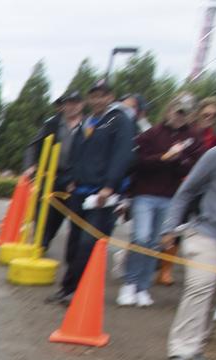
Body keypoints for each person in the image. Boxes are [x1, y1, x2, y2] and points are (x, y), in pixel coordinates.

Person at [49, 79, 136, 305]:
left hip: (102, 196)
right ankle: (67, 288)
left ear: (110, 97)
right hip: (80, 192)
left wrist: (110, 185)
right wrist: (71, 179)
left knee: (89, 243)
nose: (98, 100)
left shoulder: (119, 121)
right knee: (73, 242)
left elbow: (122, 155)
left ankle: (81, 292)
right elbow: (76, 154)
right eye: (94, 96)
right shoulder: (88, 122)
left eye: (102, 95)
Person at [122, 95, 200, 307]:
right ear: (169, 110)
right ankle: (129, 283)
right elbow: (137, 162)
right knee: (141, 238)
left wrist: (179, 159)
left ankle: (143, 287)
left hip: (170, 197)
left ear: (190, 115)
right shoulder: (152, 133)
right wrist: (163, 157)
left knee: (155, 243)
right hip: (145, 193)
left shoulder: (193, 137)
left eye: (185, 113)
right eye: (177, 110)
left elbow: (194, 166)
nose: (179, 116)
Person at [162, 139, 216, 360]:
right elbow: (186, 191)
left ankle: (197, 344)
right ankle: (180, 350)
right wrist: (169, 227)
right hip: (206, 231)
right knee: (201, 286)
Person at [24, 90, 84, 252]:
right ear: (63, 106)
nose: (71, 107)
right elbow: (34, 145)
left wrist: (78, 178)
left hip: (72, 178)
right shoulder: (52, 123)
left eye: (75, 103)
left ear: (81, 105)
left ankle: (46, 240)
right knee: (43, 211)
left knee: (59, 214)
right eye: (68, 103)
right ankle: (40, 244)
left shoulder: (87, 125)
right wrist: (30, 165)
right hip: (50, 174)